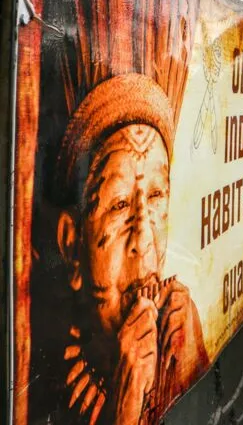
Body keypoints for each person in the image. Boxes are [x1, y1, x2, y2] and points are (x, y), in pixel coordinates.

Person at [53, 74, 209, 425]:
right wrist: (124, 407)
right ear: (71, 245)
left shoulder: (180, 328)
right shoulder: (51, 386)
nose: (144, 239)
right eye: (120, 204)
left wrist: (191, 360)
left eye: (155, 197)